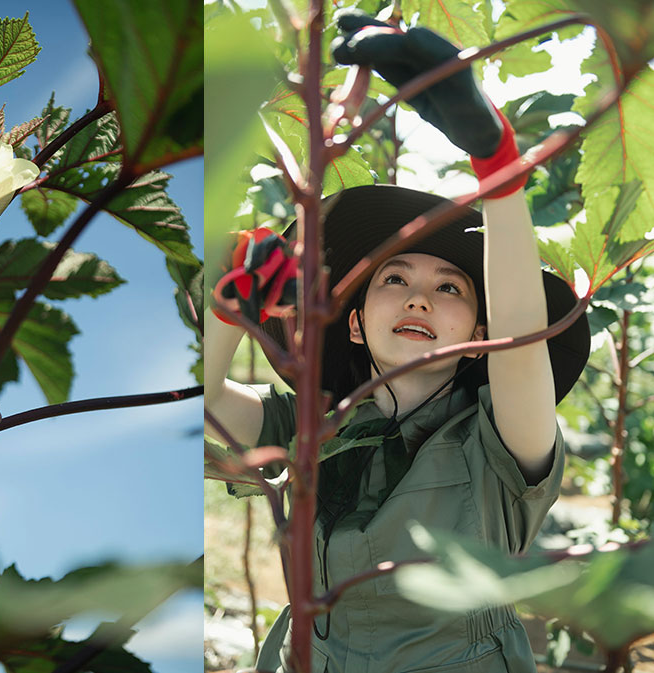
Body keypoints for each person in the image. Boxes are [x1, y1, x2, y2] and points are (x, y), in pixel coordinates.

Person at [204, 11, 591, 673]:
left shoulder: (500, 448)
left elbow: (525, 341)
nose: (418, 296)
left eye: (450, 289)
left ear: (479, 339)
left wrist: (497, 164)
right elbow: (201, 397)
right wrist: (229, 297)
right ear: (355, 321)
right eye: (395, 277)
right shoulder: (308, 424)